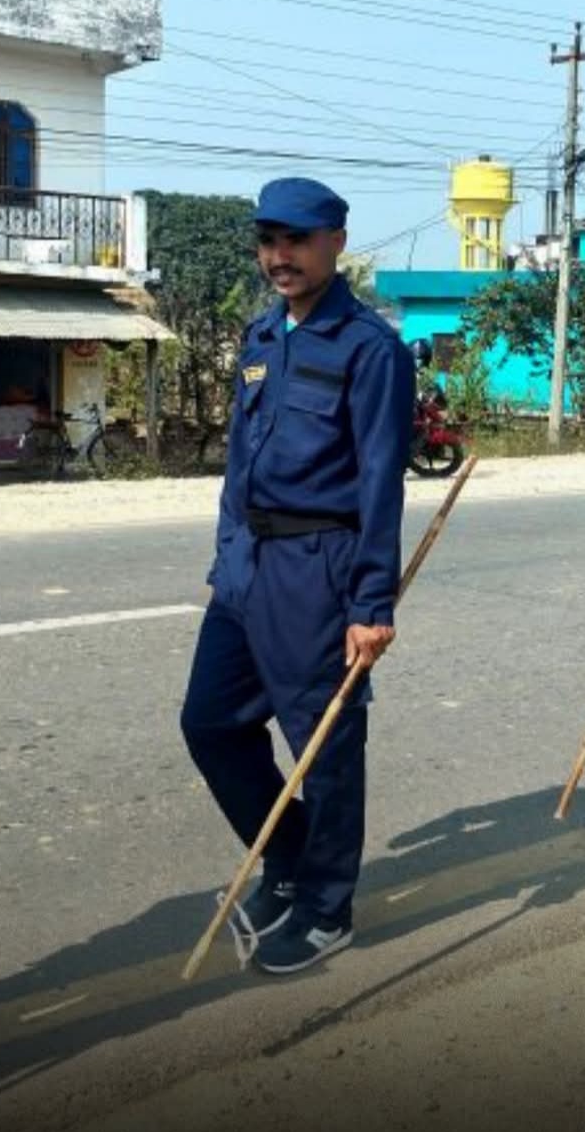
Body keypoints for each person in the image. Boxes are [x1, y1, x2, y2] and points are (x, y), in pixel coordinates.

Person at [178, 178, 413, 974]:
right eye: (268, 241)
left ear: (337, 242)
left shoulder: (369, 349)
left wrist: (371, 601)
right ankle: (288, 857)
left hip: (320, 567)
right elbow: (239, 464)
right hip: (248, 566)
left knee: (324, 746)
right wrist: (227, 553)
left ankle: (324, 905)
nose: (279, 256)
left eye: (297, 240)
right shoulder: (261, 336)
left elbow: (382, 481)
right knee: (209, 722)